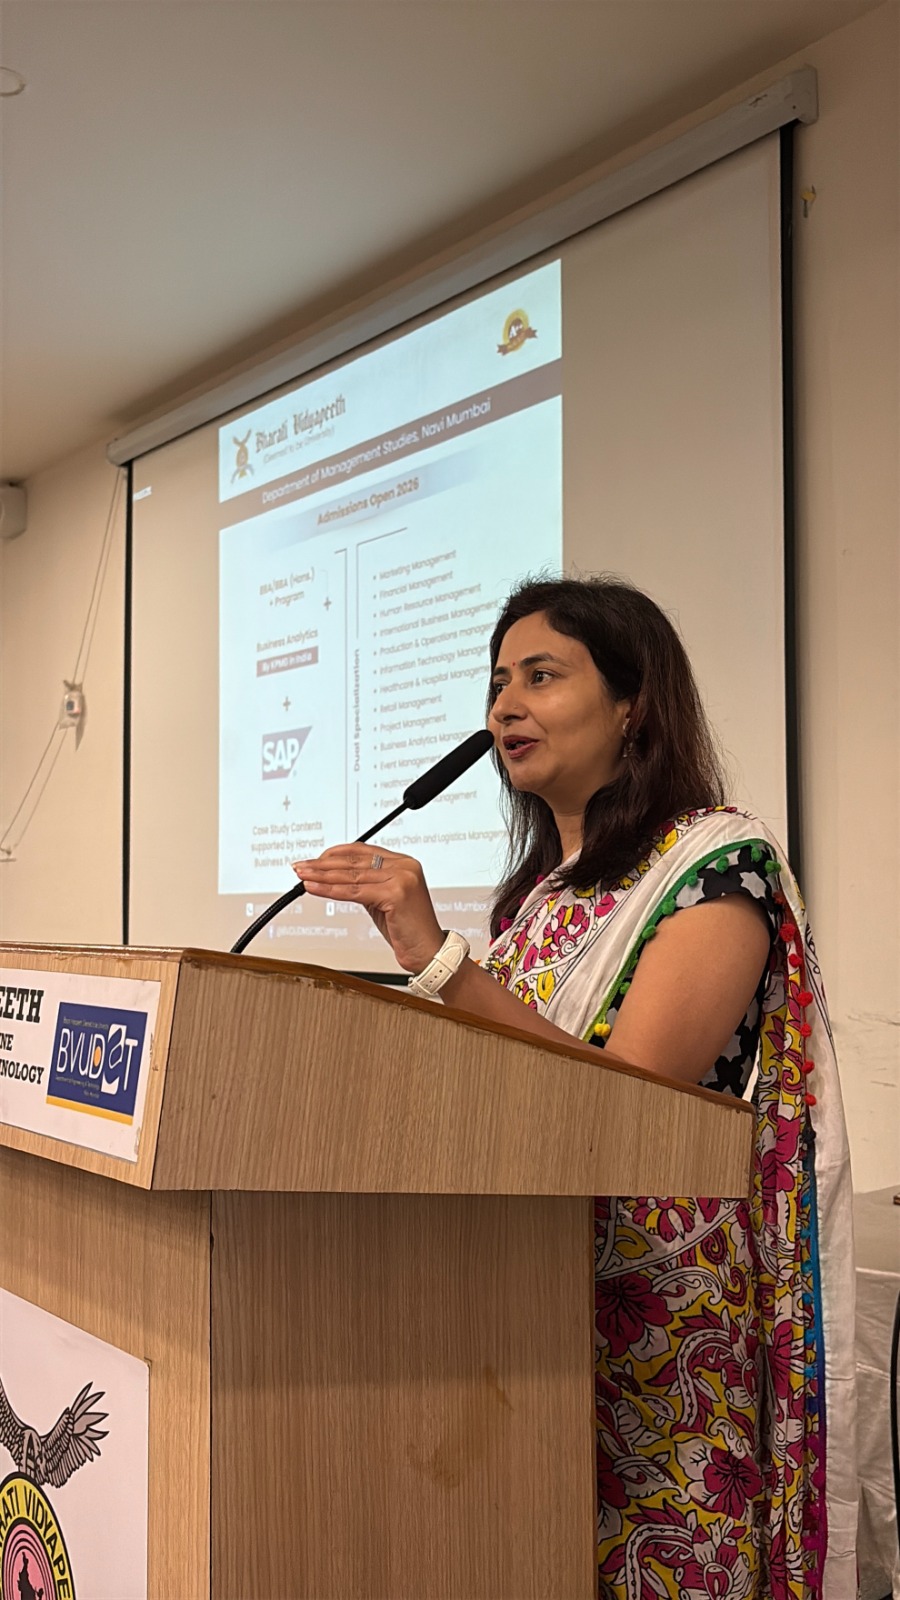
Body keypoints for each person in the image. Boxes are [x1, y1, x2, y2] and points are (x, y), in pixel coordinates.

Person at [292, 575, 856, 1599]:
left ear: (633, 703)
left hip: (661, 1330)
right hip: (525, 1310)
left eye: (541, 677)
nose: (505, 706)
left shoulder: (714, 866)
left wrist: (438, 962)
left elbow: (626, 1099)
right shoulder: (538, 899)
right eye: (498, 682)